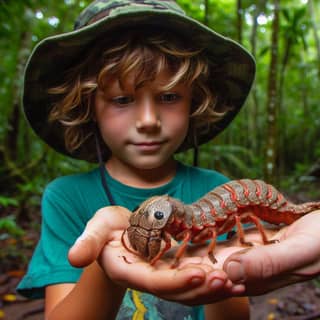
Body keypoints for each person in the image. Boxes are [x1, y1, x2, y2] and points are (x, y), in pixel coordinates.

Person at [17, 0, 320, 319]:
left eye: (169, 96)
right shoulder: (66, 198)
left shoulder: (218, 187)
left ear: (195, 102)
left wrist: (222, 277)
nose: (148, 120)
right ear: (89, 107)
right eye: (122, 99)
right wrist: (105, 268)